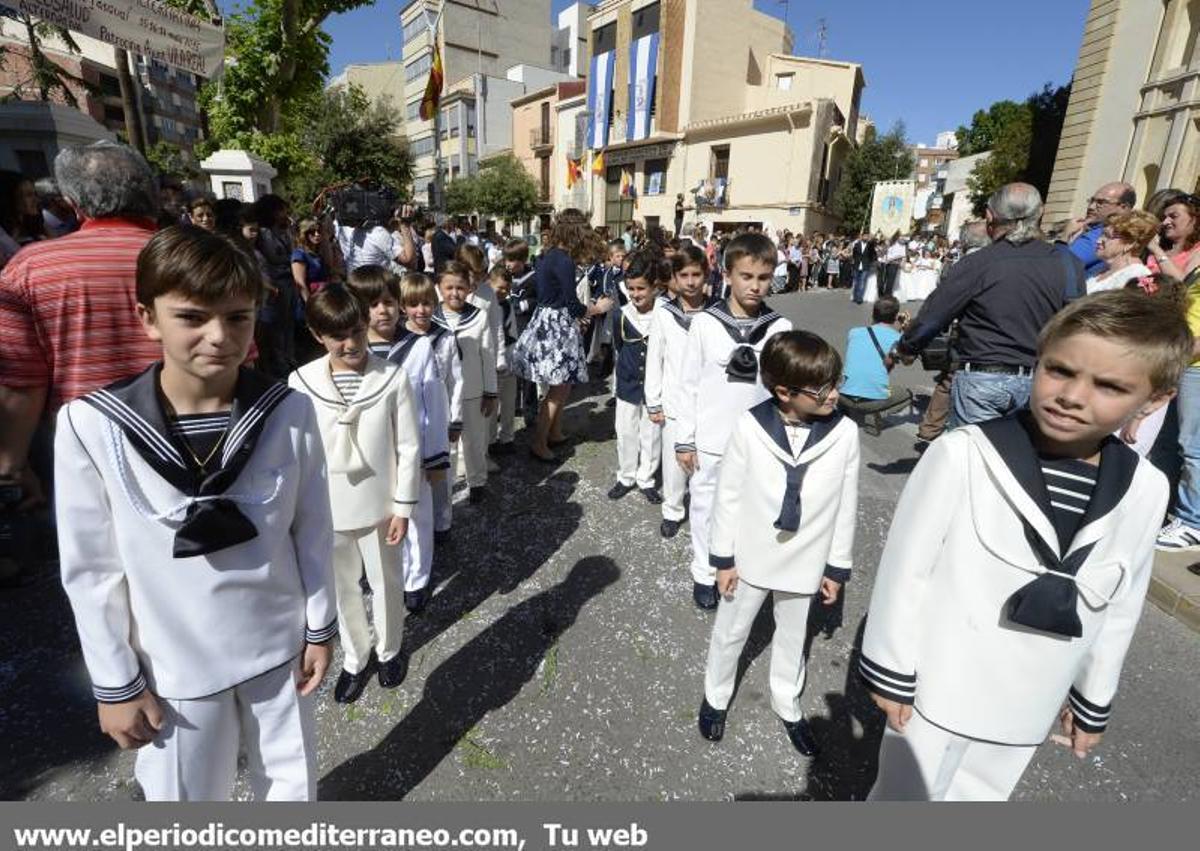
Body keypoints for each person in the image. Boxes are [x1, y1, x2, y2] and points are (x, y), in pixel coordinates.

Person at [861, 290, 1188, 800]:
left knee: (983, 797)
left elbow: (1121, 602)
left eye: (1108, 385)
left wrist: (1091, 699)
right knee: (905, 794)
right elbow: (907, 570)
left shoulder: (1146, 489)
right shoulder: (964, 454)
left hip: (1032, 692)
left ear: (1153, 400)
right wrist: (891, 668)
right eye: (1059, 370)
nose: (1073, 395)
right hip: (941, 679)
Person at [56, 225, 336, 800]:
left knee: (290, 787)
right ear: (147, 317)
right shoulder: (93, 427)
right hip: (173, 664)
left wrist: (320, 626)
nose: (218, 337)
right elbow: (91, 569)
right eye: (192, 317)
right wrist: (115, 682)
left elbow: (313, 529)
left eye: (237, 317)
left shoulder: (287, 412)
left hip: (276, 647)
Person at [698, 331, 859, 757]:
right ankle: (716, 694)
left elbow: (847, 502)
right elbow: (728, 496)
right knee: (732, 630)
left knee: (793, 634)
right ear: (784, 392)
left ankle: (786, 697)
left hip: (807, 556)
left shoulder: (844, 433)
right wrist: (723, 558)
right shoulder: (751, 426)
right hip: (751, 552)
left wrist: (836, 567)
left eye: (836, 382)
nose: (834, 394)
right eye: (823, 388)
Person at [0, 142, 162, 508]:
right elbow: (241, 362)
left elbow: (21, 383)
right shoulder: (196, 255)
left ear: (75, 203)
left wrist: (11, 465)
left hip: (86, 454)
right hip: (195, 444)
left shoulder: (29, 268)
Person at [289, 285, 421, 704]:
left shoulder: (391, 376)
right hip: (327, 507)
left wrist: (403, 506)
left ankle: (389, 649)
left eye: (358, 332)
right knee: (340, 586)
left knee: (386, 581)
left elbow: (408, 446)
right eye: (338, 336)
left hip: (380, 503)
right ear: (317, 335)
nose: (351, 344)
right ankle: (355, 656)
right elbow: (298, 451)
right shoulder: (301, 381)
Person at [891, 183, 1084, 428]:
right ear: (1040, 213)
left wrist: (907, 348)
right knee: (1014, 461)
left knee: (974, 459)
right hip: (1042, 381)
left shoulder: (978, 263)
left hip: (983, 380)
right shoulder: (1068, 264)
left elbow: (933, 317)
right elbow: (1078, 325)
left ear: (990, 217)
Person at [675, 232, 793, 610]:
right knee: (705, 506)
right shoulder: (707, 324)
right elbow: (689, 385)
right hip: (711, 437)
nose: (755, 286)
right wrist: (685, 439)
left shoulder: (779, 328)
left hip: (758, 440)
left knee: (748, 508)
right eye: (746, 276)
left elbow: (783, 390)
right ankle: (704, 572)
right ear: (727, 275)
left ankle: (736, 565)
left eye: (763, 278)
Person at [511, 209, 613, 462]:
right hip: (558, 325)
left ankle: (554, 432)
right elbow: (572, 305)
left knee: (562, 386)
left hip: (549, 321)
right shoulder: (564, 260)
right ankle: (539, 441)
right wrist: (597, 309)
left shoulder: (548, 254)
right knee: (558, 389)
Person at [646, 245, 714, 538]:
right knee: (674, 465)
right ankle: (672, 509)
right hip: (673, 401)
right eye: (683, 274)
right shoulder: (664, 313)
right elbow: (655, 358)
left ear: (706, 274)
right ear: (673, 277)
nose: (690, 281)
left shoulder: (718, 311)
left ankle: (706, 513)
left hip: (709, 402)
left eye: (696, 274)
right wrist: (653, 400)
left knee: (705, 464)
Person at [1150, 193, 1200, 550]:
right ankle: (1166, 510)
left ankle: (1191, 520)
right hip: (1184, 356)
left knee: (1192, 445)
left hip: (1195, 362)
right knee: (1169, 441)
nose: (1166, 222)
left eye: (1174, 216)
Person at [397, 272, 462, 544]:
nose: (421, 310)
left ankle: (442, 523)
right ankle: (411, 523)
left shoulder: (445, 337)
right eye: (413, 304)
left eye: (426, 303)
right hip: (407, 420)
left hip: (439, 419)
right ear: (403, 307)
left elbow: (456, 379)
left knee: (442, 476)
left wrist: (455, 419)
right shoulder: (398, 342)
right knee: (411, 474)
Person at [916, 221, 991, 445]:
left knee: (949, 378)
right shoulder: (986, 261)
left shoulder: (956, 262)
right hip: (977, 331)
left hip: (962, 326)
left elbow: (941, 295)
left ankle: (930, 428)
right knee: (952, 378)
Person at [433, 261, 497, 503]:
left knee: (474, 441)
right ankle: (444, 487)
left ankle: (477, 482)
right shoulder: (431, 317)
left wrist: (490, 392)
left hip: (473, 391)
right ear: (439, 287)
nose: (454, 293)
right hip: (441, 393)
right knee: (446, 444)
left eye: (460, 287)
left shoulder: (479, 317)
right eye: (448, 287)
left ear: (469, 288)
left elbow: (487, 356)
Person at [608, 251, 665, 503]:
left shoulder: (665, 314)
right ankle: (626, 475)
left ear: (655, 287)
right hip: (628, 382)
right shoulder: (621, 314)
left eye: (641, 288)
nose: (635, 294)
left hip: (656, 386)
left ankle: (646, 477)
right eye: (631, 289)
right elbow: (619, 346)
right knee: (626, 430)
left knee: (651, 433)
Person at [840, 296, 909, 409]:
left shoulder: (854, 332)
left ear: (873, 313)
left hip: (844, 395)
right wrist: (905, 328)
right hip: (874, 399)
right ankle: (875, 413)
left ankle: (849, 411)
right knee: (907, 394)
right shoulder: (898, 338)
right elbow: (906, 360)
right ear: (896, 317)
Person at [1062, 182, 1137, 277]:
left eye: (1101, 203)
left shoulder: (1103, 234)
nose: (1091, 207)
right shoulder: (1092, 229)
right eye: (1091, 201)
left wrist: (1064, 238)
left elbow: (1056, 265)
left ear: (1123, 207)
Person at [1085, 211, 1157, 293]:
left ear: (1129, 243)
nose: (1098, 241)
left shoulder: (1137, 276)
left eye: (1108, 236)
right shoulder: (1101, 269)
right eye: (1102, 234)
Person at [291, 218, 331, 298]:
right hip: (311, 300)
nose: (317, 234)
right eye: (312, 232)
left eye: (319, 231)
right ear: (304, 234)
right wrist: (309, 304)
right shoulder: (299, 254)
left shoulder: (318, 253)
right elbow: (300, 284)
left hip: (324, 297)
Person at [850, 232, 877, 304]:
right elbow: (854, 254)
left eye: (867, 236)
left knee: (862, 282)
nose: (865, 237)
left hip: (865, 265)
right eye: (864, 236)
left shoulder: (870, 245)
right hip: (857, 265)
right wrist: (854, 261)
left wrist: (871, 262)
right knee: (856, 282)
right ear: (862, 237)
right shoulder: (857, 244)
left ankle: (859, 298)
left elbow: (873, 254)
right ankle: (855, 296)